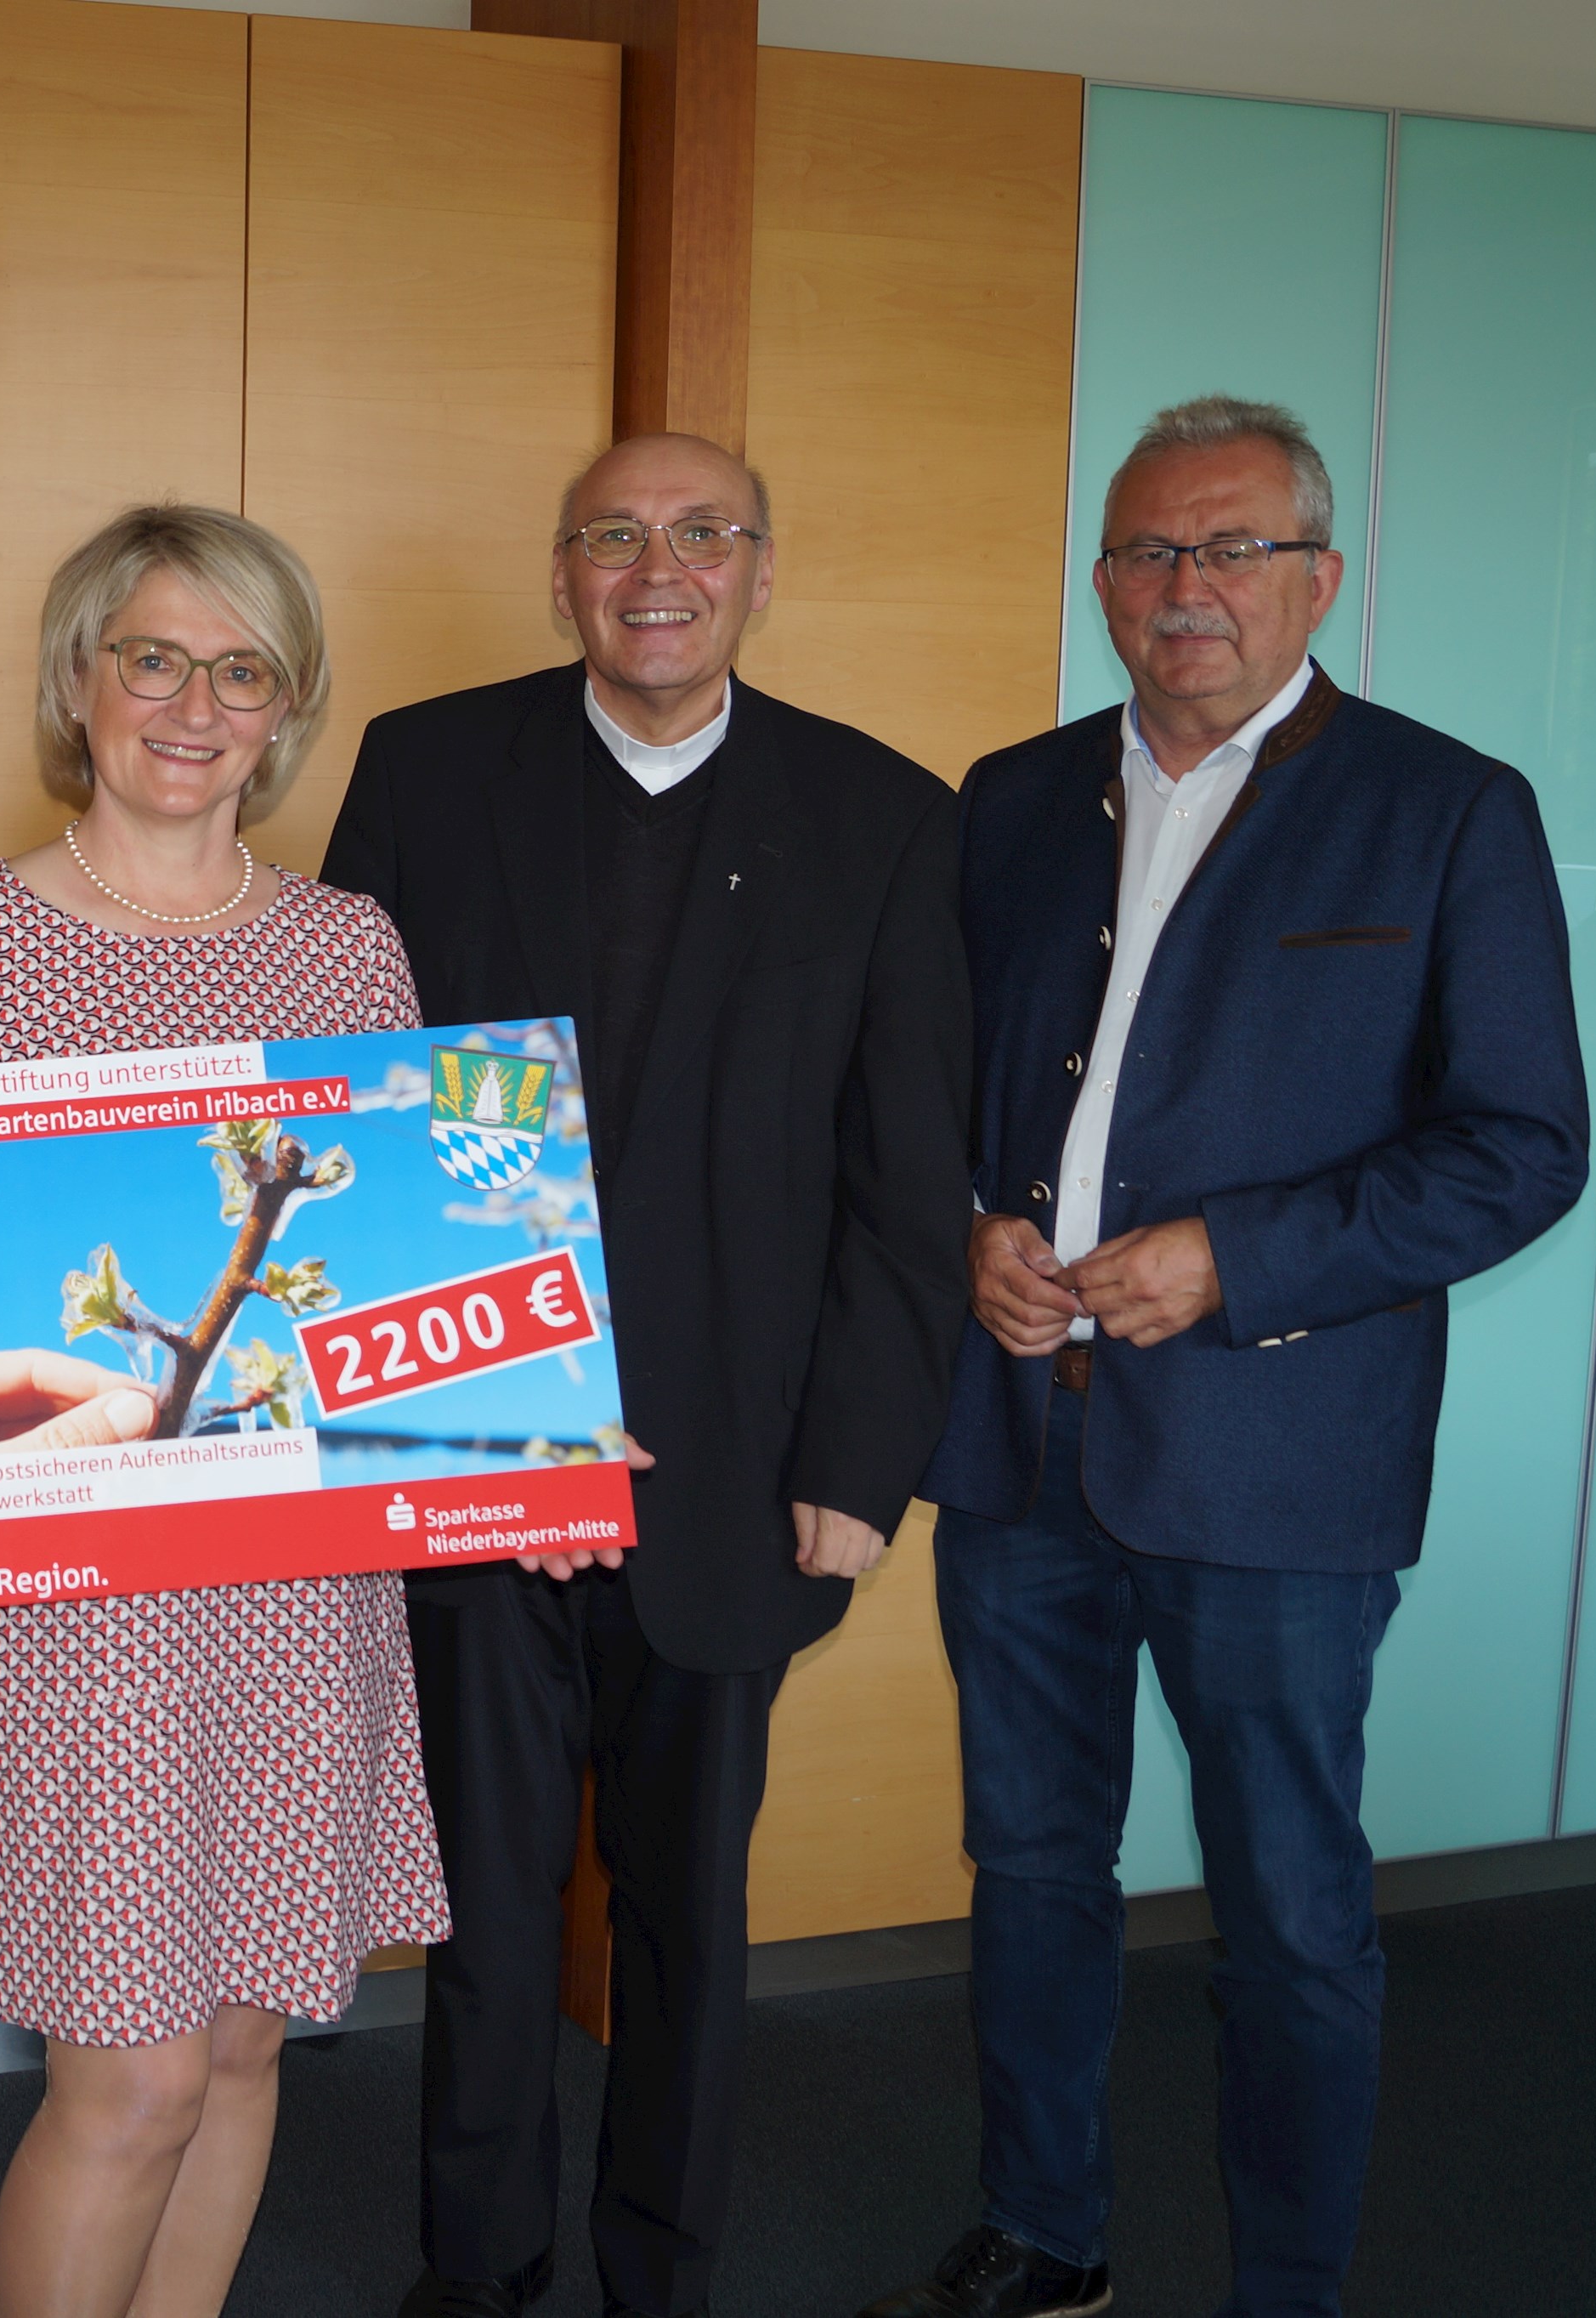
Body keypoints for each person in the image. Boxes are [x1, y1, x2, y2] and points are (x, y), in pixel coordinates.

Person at [866, 397, 1590, 2318]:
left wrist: (1232, 1255)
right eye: (1144, 552)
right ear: (1099, 576)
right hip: (1019, 1444)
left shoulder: (1445, 807)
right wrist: (964, 1233)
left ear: (1314, 578)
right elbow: (919, 1085)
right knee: (1028, 1867)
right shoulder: (1004, 798)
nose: (1183, 590)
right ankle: (1045, 2231)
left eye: (1230, 550)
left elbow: (1521, 1148)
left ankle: (1287, 2284)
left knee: (1288, 1913)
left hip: (1278, 1462)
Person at [319, 433, 973, 2318]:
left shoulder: (880, 812)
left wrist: (860, 1462)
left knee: (691, 1925)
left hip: (740, 1474)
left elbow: (899, 1171)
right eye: (612, 534)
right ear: (560, 574)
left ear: (762, 572)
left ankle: (658, 2274)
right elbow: (347, 1116)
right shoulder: (428, 770)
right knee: (483, 1924)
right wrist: (453, 1414)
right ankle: (476, 2273)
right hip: (470, 1439)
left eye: (700, 533)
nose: (654, 567)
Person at [0, 502, 452, 2318]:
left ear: (285, 707)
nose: (190, 701)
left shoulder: (348, 947)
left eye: (239, 668)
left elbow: (389, 1273)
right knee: (132, 2069)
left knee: (241, 2041)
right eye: (151, 653)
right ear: (79, 679)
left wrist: (503, 1427)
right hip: (64, 1592)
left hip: (293, 1586)